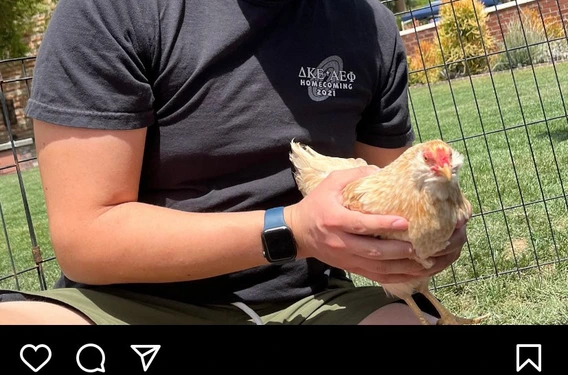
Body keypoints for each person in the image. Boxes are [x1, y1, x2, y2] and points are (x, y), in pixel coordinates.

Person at [0, 0, 468, 325]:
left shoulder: (367, 25)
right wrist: (293, 231)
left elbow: (394, 198)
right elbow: (85, 239)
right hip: (132, 305)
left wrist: (429, 234)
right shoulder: (112, 12)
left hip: (313, 303)